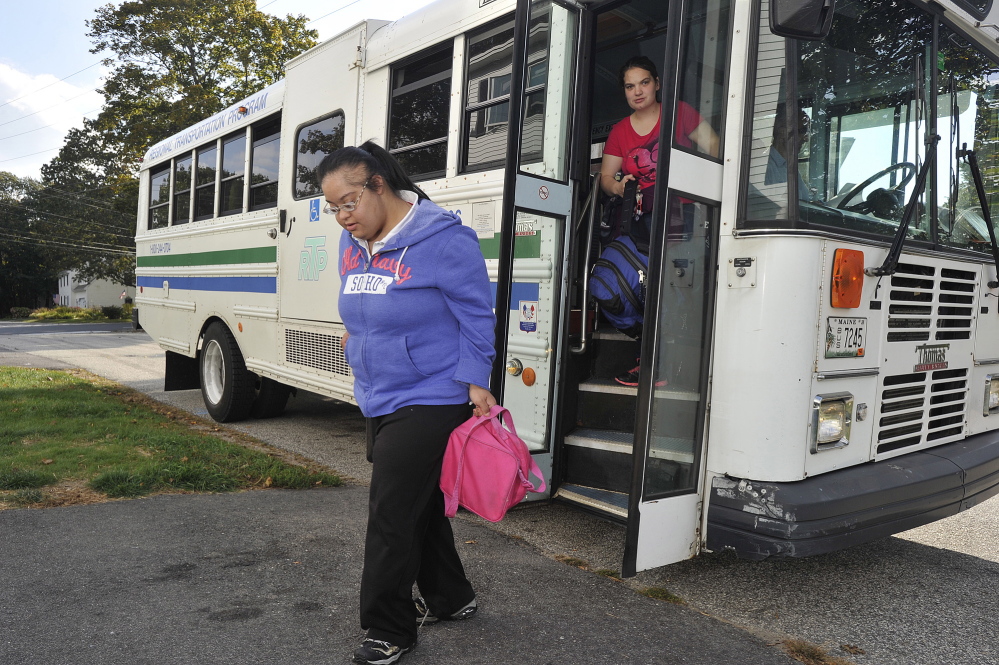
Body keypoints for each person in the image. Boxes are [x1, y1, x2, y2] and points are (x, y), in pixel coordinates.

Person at [317, 141, 497, 665]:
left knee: (391, 510)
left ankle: (388, 626)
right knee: (418, 499)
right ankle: (452, 596)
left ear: (379, 185)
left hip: (433, 393)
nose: (342, 218)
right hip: (377, 392)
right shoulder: (355, 243)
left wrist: (475, 379)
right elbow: (359, 298)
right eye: (333, 209)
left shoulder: (444, 240)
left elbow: (476, 315)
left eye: (348, 203)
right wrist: (357, 336)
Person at [598, 55, 719, 386]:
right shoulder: (621, 131)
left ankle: (666, 364)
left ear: (657, 84)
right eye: (629, 86)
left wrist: (690, 183)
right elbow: (605, 177)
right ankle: (649, 355)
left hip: (682, 215)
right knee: (636, 285)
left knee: (671, 288)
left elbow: (714, 146)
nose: (638, 91)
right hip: (639, 218)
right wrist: (618, 185)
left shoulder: (678, 113)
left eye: (644, 83)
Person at [764, 106, 814, 201]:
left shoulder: (790, 168)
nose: (806, 138)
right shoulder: (766, 167)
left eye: (808, 132)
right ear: (783, 132)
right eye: (803, 131)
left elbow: (805, 201)